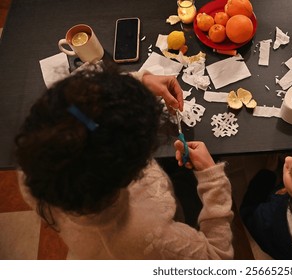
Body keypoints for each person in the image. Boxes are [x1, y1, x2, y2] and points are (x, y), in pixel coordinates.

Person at [15, 66, 234, 259]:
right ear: (136, 168)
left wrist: (140, 82)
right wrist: (212, 178)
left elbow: (76, 109)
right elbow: (217, 258)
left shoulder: (36, 164)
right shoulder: (152, 237)